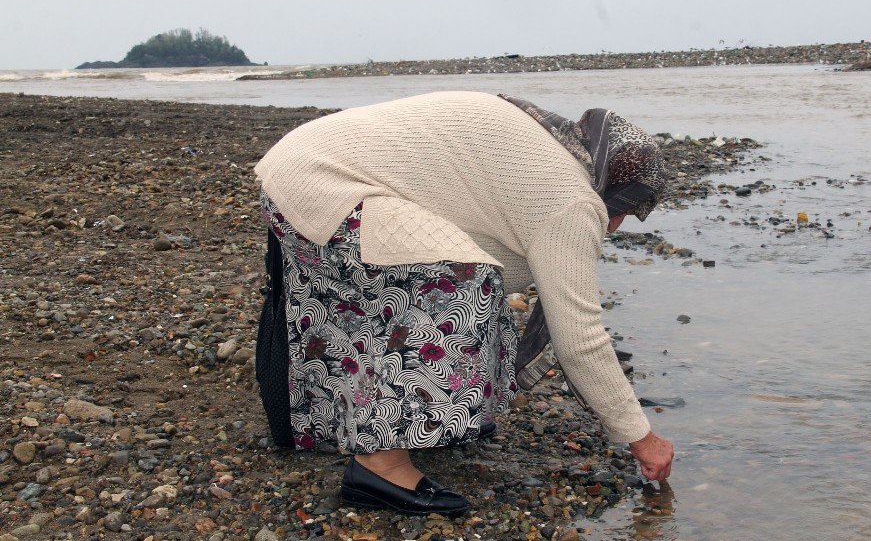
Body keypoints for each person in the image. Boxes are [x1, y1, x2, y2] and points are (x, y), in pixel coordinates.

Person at [254, 91, 674, 515]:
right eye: (625, 206)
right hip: (327, 186)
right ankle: (379, 467)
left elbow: (481, 232)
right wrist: (640, 437)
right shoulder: (570, 200)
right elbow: (579, 336)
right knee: (458, 280)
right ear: (611, 184)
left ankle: (397, 420)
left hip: (298, 172)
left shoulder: (549, 149)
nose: (615, 223)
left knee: (434, 275)